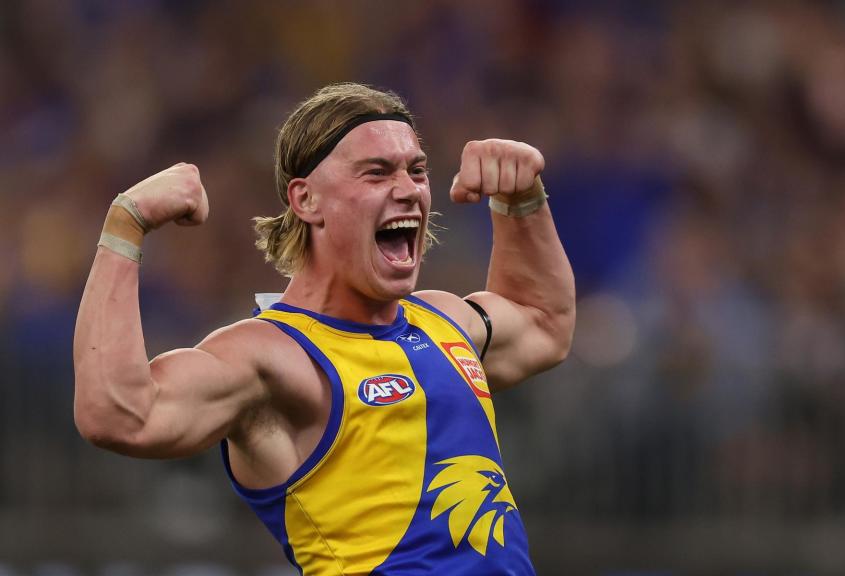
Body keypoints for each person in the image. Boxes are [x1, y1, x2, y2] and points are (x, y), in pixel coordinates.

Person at [74, 83, 575, 574]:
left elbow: (543, 322)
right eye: (376, 173)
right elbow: (118, 415)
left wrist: (520, 201)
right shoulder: (272, 357)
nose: (408, 190)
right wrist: (126, 225)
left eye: (416, 170)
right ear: (306, 199)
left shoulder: (443, 318)